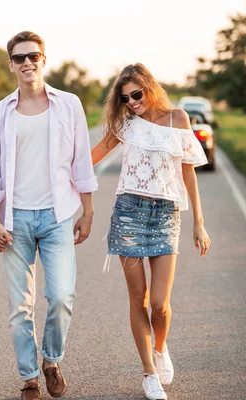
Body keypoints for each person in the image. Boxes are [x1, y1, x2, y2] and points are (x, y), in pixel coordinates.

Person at [0, 31, 98, 399]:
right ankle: (30, 377)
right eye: (19, 58)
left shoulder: (69, 105)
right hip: (14, 219)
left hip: (58, 214)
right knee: (20, 306)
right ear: (11, 64)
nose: (27, 63)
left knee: (62, 295)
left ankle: (51, 359)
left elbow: (81, 159)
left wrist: (89, 209)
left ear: (43, 60)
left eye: (33, 56)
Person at [91, 63, 211, 400]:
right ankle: (149, 373)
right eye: (124, 97)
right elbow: (95, 155)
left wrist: (198, 222)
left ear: (149, 87)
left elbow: (188, 173)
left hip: (166, 214)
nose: (131, 101)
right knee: (137, 298)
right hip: (128, 212)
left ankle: (160, 348)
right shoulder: (126, 124)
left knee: (159, 304)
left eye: (136, 94)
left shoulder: (178, 119)